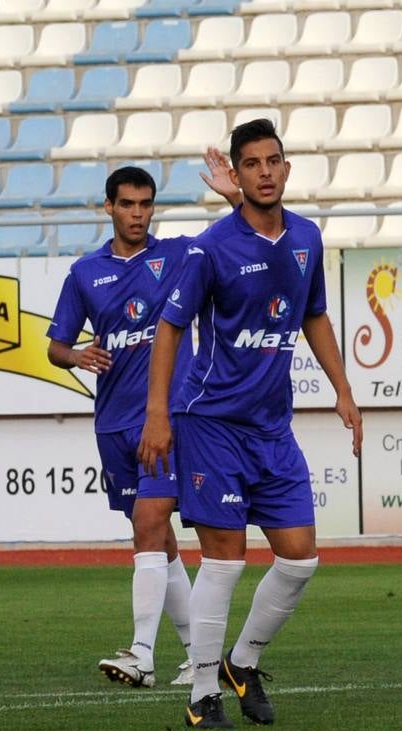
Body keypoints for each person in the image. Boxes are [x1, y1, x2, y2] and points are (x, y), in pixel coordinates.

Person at [138, 118, 363, 730]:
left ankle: (243, 662)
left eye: (274, 161)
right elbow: (168, 328)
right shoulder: (209, 247)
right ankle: (203, 694)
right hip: (209, 421)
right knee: (226, 560)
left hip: (271, 427)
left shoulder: (307, 239)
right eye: (252, 164)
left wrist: (343, 388)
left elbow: (313, 314)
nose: (265, 172)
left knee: (299, 558)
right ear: (237, 174)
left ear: (286, 168)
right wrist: (157, 414)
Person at [47, 156, 240, 689]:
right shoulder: (85, 272)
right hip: (113, 424)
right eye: (127, 204)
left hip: (167, 421)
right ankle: (195, 656)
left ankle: (141, 653)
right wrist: (77, 356)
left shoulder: (178, 255)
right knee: (158, 539)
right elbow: (54, 348)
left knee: (150, 527)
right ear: (109, 207)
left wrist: (232, 196)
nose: (138, 214)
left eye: (146, 204)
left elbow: (243, 233)